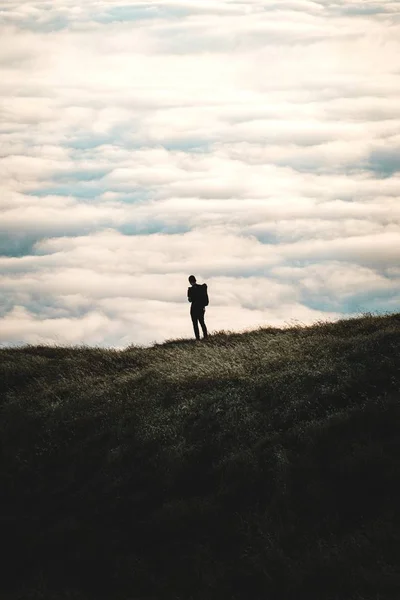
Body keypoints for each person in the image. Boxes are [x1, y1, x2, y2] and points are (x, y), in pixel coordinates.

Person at [187, 275, 208, 340]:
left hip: (194, 309)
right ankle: (205, 337)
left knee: (195, 324)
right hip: (201, 308)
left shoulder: (190, 290)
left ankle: (197, 338)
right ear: (195, 280)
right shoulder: (201, 288)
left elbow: (190, 300)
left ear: (190, 282)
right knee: (202, 322)